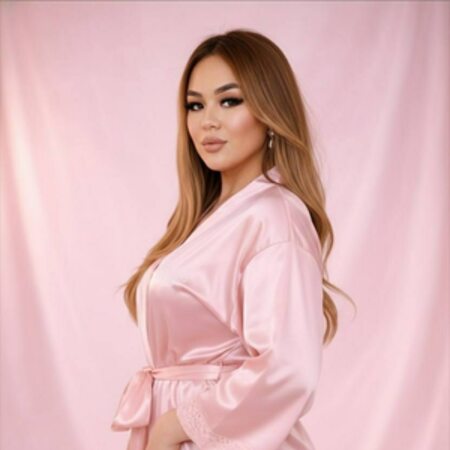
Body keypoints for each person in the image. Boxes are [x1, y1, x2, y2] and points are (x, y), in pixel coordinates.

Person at [111, 28, 355, 450]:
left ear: (269, 110)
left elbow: (287, 367)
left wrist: (173, 426)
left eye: (230, 101)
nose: (208, 120)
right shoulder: (205, 219)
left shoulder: (274, 216)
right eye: (195, 105)